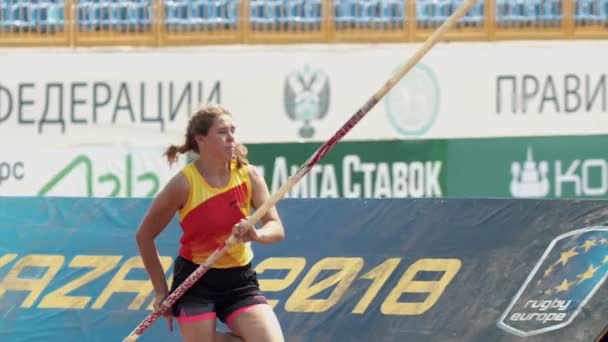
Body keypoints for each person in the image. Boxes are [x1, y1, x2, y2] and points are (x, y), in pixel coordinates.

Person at [135, 105, 286, 342]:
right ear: (200, 139)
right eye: (222, 132)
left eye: (233, 131)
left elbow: (276, 228)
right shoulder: (183, 184)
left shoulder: (249, 175)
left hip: (239, 281)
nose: (231, 138)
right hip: (195, 281)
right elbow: (144, 236)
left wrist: (257, 235)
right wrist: (161, 291)